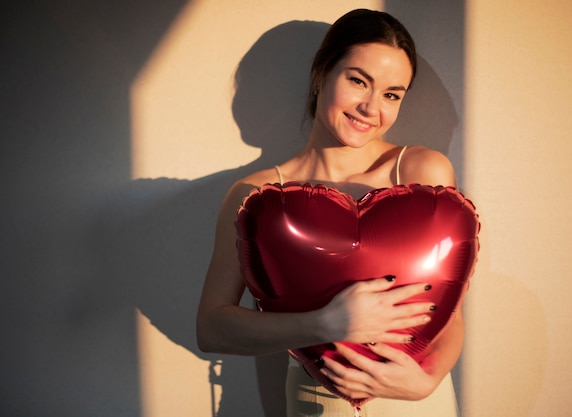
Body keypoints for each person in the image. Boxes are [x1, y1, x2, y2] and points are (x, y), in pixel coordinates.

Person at [197, 9, 463, 416]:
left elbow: (450, 313)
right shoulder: (257, 195)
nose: (371, 107)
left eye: (392, 94)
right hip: (315, 402)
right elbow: (212, 328)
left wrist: (427, 382)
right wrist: (324, 324)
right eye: (358, 81)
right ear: (322, 73)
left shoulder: (420, 173)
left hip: (414, 398)